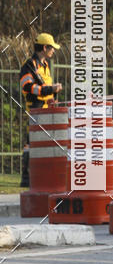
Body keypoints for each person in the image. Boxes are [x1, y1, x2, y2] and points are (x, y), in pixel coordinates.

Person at [19, 32, 63, 187]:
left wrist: (52, 95)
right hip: (36, 109)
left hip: (47, 109)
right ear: (45, 47)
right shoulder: (29, 65)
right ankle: (27, 177)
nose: (53, 51)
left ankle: (44, 175)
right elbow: (27, 86)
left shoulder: (44, 66)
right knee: (32, 143)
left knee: (47, 143)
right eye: (52, 48)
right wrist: (49, 90)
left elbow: (46, 88)